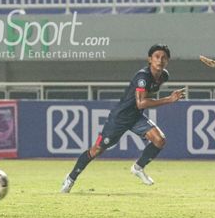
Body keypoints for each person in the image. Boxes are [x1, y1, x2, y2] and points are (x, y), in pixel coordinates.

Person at [60, 44, 185, 193]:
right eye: (157, 57)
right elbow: (141, 103)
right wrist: (169, 99)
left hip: (136, 117)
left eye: (164, 58)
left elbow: (145, 98)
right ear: (149, 59)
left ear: (168, 61)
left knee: (160, 140)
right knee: (97, 150)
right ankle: (71, 178)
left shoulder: (164, 76)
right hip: (120, 118)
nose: (160, 60)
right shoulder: (142, 77)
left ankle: (138, 168)